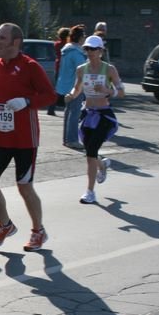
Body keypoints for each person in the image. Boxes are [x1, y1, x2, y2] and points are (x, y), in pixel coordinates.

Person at [0, 22, 57, 252]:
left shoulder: (30, 66)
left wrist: (26, 102)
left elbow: (50, 96)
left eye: (2, 38)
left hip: (25, 139)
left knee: (24, 187)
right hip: (0, 137)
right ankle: (5, 225)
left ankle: (38, 231)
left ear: (15, 42)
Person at [64, 35, 125, 204]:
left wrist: (107, 90)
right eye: (87, 49)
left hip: (104, 115)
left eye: (93, 49)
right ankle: (102, 165)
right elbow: (77, 89)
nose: (89, 52)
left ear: (101, 51)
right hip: (88, 114)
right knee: (90, 151)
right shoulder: (81, 69)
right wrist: (70, 95)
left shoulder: (109, 69)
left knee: (90, 152)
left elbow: (121, 92)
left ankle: (89, 192)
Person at [55, 24, 87, 149]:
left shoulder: (67, 50)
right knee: (75, 113)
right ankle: (72, 140)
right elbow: (83, 70)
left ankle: (66, 139)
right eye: (84, 36)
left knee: (68, 112)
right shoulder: (77, 53)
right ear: (80, 38)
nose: (84, 38)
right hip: (75, 86)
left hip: (65, 85)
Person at [48, 26, 71, 116]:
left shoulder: (57, 44)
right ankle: (66, 108)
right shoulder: (67, 45)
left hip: (58, 68)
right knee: (67, 88)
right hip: (65, 68)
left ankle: (51, 108)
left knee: (57, 89)